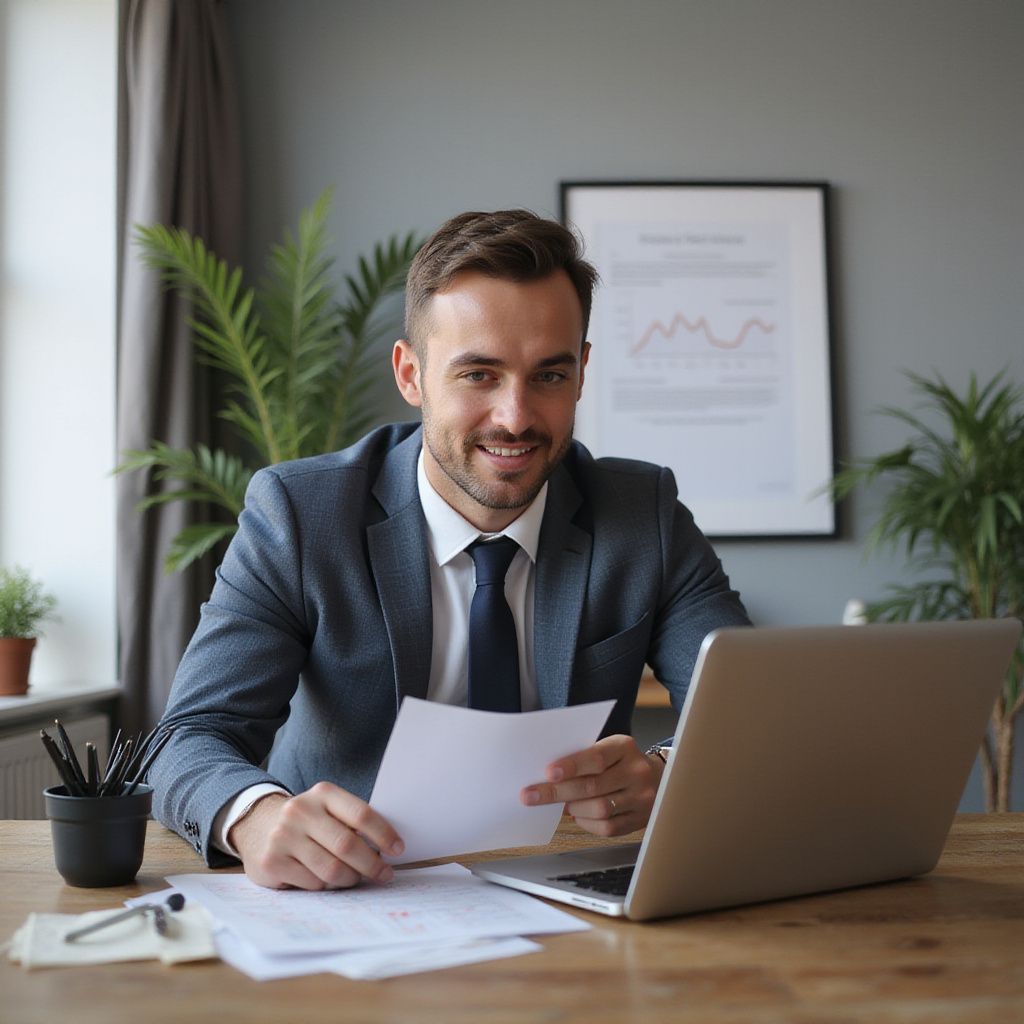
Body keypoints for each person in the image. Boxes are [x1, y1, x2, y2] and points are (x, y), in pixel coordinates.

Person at [149, 209, 750, 890]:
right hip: (351, 894)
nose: (516, 416)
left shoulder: (643, 514)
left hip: (569, 889)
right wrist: (255, 817)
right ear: (412, 375)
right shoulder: (300, 514)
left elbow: (748, 714)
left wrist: (665, 770)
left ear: (581, 373)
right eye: (479, 375)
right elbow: (189, 738)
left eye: (548, 376)